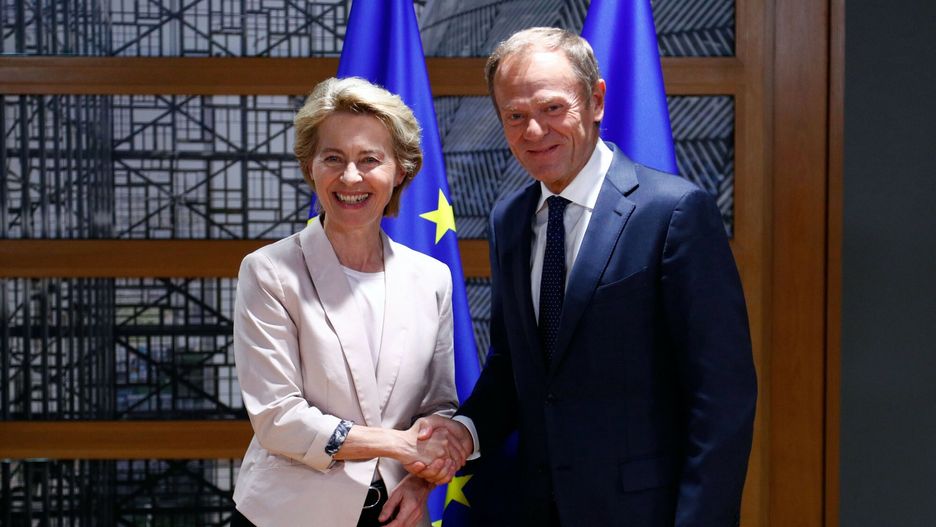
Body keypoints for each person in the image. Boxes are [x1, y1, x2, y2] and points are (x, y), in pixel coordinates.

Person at [416, 27, 757, 526]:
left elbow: (721, 396)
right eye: (515, 116)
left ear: (595, 100)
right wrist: (464, 431)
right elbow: (515, 367)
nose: (534, 131)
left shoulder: (674, 212)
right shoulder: (509, 220)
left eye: (553, 108)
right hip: (533, 508)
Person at [232, 77, 467, 527]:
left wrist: (419, 482)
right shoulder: (268, 272)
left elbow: (438, 409)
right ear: (310, 167)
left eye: (370, 160)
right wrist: (398, 445)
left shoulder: (432, 278)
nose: (351, 177)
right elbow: (279, 419)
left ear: (401, 170)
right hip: (287, 516)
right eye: (333, 159)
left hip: (399, 512)